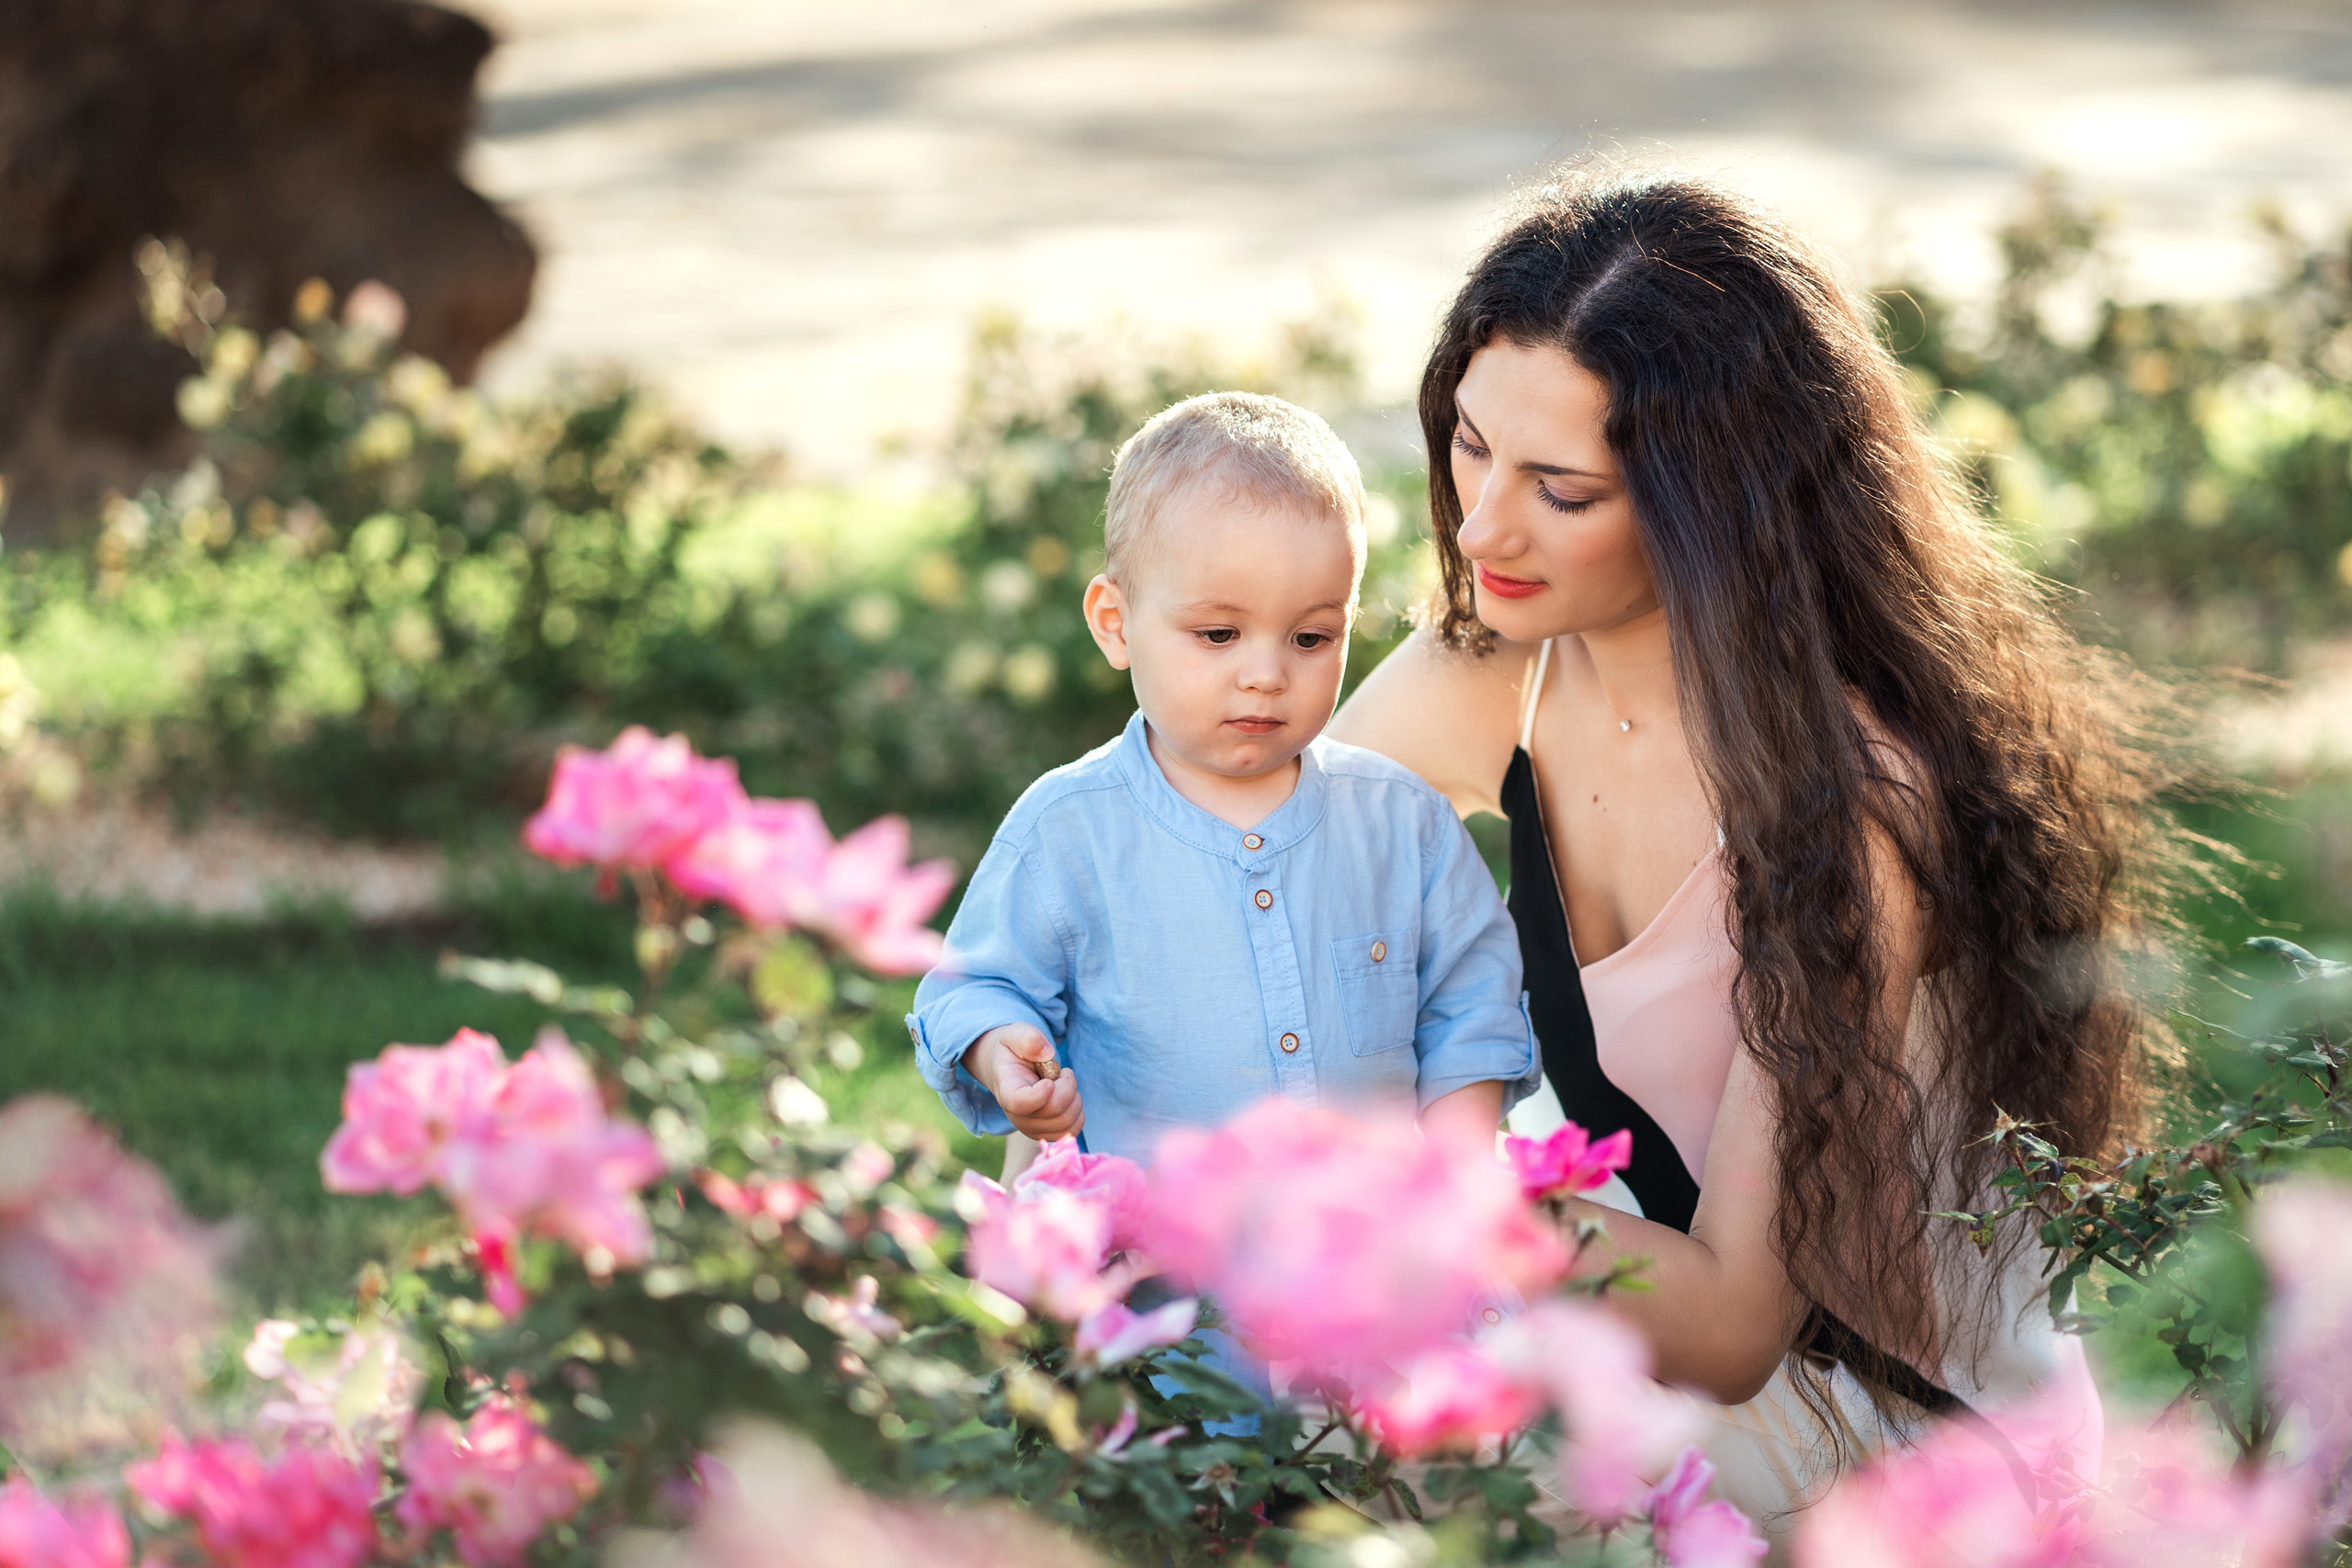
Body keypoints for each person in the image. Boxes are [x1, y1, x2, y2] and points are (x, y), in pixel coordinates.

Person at [1329, 170, 2173, 1547]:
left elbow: (1726, 1322)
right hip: (1603, 1261)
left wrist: (1404, 1184)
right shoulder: (1491, 669)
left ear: (1706, 504)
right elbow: (1248, 889)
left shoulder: (1846, 804)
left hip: (1888, 1433)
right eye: (1470, 446)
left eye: (1564, 488)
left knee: (1389, 1456)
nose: (1482, 527)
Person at [908, 389, 1540, 1173]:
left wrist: (1455, 1172)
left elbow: (1472, 1010)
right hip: (1152, 1270)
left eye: (1312, 636)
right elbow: (968, 988)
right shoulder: (1069, 830)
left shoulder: (1402, 823)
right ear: (1114, 623)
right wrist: (1002, 1051)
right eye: (1218, 634)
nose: (1267, 674)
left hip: (1364, 1267)